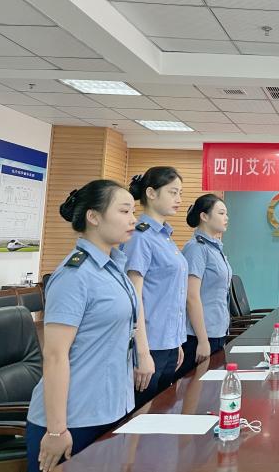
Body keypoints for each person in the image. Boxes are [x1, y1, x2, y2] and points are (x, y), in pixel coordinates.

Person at [26, 181, 138, 472]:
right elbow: (55, 355)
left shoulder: (114, 268)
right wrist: (56, 431)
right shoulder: (75, 275)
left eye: (133, 211)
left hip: (111, 409)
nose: (133, 219)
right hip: (73, 421)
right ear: (93, 217)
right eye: (124, 211)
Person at [123, 167, 188, 407]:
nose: (178, 199)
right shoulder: (140, 237)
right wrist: (142, 352)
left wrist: (176, 341)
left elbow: (170, 295)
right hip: (149, 344)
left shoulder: (164, 236)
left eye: (180, 193)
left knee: (163, 412)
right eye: (173, 192)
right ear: (151, 193)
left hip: (168, 343)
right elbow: (134, 297)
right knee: (142, 415)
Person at [178, 194, 233, 376]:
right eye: (221, 213)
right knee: (194, 387)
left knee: (212, 389)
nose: (226, 218)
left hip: (217, 331)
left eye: (226, 214)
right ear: (204, 216)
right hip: (199, 335)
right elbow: (191, 296)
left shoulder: (215, 248)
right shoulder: (197, 248)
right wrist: (202, 340)